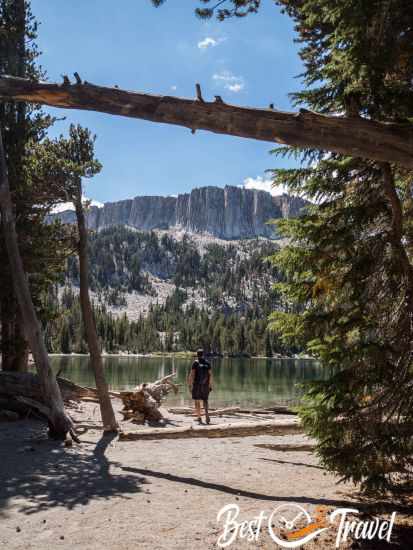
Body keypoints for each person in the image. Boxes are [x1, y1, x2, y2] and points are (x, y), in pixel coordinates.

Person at [187, 349, 212, 424]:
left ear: (197, 355)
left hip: (197, 385)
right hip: (205, 385)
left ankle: (199, 417)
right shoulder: (207, 363)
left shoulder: (195, 363)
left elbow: (192, 374)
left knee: (197, 401)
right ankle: (206, 413)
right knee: (205, 400)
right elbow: (210, 375)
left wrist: (189, 384)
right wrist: (210, 385)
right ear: (203, 355)